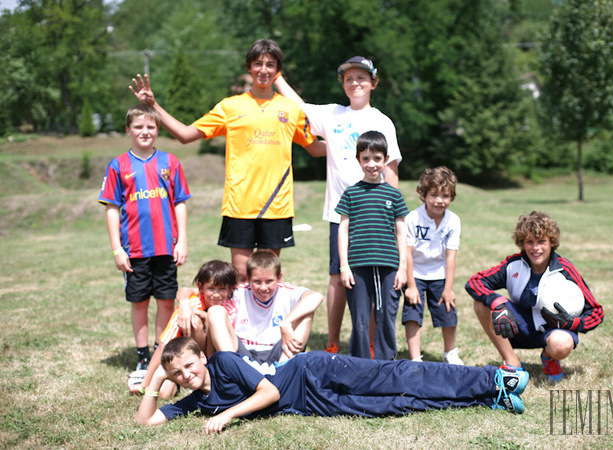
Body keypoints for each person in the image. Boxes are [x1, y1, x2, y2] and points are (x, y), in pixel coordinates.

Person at [129, 39, 326, 282]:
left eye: (270, 65)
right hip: (239, 205)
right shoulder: (230, 107)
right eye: (258, 64)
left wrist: (350, 146)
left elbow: (316, 149)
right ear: (248, 67)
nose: (263, 70)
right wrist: (153, 105)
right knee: (242, 276)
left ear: (278, 71)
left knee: (266, 278)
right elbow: (185, 135)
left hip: (277, 206)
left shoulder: (291, 109)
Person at [275, 56, 402, 354]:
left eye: (361, 77)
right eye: (349, 78)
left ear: (373, 83)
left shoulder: (382, 122)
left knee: (373, 277)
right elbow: (298, 106)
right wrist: (278, 75)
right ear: (342, 84)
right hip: (341, 213)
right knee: (338, 276)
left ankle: (371, 344)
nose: (355, 82)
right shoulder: (333, 115)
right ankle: (333, 341)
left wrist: (391, 208)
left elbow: (392, 169)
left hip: (375, 213)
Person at [135, 337, 530, 432]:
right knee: (395, 405)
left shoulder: (222, 362)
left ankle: (495, 376)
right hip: (312, 404)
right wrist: (155, 380)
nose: (187, 376)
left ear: (200, 357)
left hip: (312, 372)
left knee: (397, 375)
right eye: (179, 375)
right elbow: (144, 423)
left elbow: (269, 392)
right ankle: (489, 398)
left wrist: (228, 417)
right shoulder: (196, 402)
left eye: (189, 366)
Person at [99, 104, 191, 371]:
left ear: (157, 129)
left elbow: (180, 203)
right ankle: (142, 358)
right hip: (134, 250)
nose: (145, 131)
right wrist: (117, 249)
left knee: (166, 301)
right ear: (128, 130)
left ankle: (160, 353)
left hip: (165, 248)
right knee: (139, 302)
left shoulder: (170, 162)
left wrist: (182, 241)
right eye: (138, 126)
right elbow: (112, 208)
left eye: (150, 126)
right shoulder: (118, 165)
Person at [465, 211, 604, 382]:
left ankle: (550, 357)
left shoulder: (564, 269)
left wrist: (573, 323)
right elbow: (475, 281)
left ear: (552, 242)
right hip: (520, 327)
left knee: (561, 344)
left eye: (541, 242)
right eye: (529, 242)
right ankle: (512, 363)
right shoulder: (513, 265)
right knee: (481, 303)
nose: (535, 248)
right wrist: (498, 302)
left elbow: (596, 312)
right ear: (522, 243)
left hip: (554, 330)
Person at [178, 250, 324, 370]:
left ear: (279, 278)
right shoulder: (238, 292)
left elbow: (316, 297)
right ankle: (233, 370)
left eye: (269, 281)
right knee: (215, 311)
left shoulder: (287, 291)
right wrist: (184, 303)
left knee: (306, 314)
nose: (263, 287)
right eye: (257, 282)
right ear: (248, 278)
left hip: (278, 351)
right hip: (243, 353)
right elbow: (189, 290)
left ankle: (282, 372)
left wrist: (286, 323)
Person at [336, 131, 408, 360]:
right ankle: (358, 363)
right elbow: (342, 230)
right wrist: (344, 267)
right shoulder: (351, 194)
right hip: (358, 266)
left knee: (386, 314)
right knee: (360, 318)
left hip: (388, 266)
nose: (371, 164)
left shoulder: (394, 195)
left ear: (386, 159)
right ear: (358, 160)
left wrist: (403, 267)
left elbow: (401, 231)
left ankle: (386, 362)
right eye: (365, 158)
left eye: (377, 158)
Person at [128, 260, 238, 399]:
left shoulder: (231, 304)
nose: (216, 294)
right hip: (188, 361)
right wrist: (145, 384)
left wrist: (206, 315)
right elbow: (163, 345)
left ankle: (216, 374)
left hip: (220, 356)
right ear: (201, 287)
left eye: (222, 289)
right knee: (164, 394)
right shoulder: (189, 306)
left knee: (211, 318)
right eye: (211, 289)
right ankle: (143, 378)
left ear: (230, 289)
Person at [403, 167, 463, 365]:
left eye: (445, 196)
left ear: (452, 197)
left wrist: (448, 289)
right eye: (434, 195)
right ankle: (415, 358)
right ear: (424, 195)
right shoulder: (412, 218)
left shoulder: (453, 220)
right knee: (413, 313)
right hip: (416, 273)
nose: (439, 200)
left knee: (448, 312)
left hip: (440, 274)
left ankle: (450, 352)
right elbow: (408, 255)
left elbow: (451, 257)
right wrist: (411, 286)